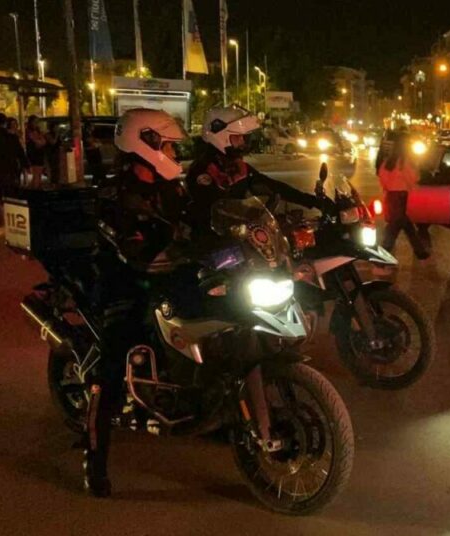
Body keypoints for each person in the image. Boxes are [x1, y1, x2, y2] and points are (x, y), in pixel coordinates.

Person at [83, 109, 190, 497]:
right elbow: (130, 245)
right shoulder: (114, 195)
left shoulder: (170, 187)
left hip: (166, 278)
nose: (174, 154)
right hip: (122, 284)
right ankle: (95, 460)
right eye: (169, 146)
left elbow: (199, 220)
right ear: (146, 144)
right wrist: (148, 244)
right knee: (113, 362)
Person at [187, 106, 332, 237]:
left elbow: (271, 185)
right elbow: (213, 211)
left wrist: (314, 202)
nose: (242, 142)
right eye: (238, 137)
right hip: (213, 244)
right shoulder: (202, 171)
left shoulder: (236, 166)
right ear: (221, 136)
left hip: (238, 240)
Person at [377, 134, 430, 259]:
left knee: (404, 224)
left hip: (391, 195)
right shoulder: (405, 161)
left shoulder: (389, 161)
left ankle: (420, 251)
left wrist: (388, 186)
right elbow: (413, 177)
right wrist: (413, 181)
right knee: (395, 226)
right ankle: (382, 254)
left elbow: (381, 175)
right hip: (401, 195)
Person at [24, 115, 46, 189]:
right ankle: (35, 189)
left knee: (39, 174)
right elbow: (36, 142)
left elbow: (43, 141)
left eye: (37, 122)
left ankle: (36, 188)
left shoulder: (38, 130)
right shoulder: (28, 131)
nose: (36, 123)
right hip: (34, 154)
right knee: (36, 174)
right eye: (35, 122)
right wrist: (39, 141)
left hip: (40, 154)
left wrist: (40, 141)